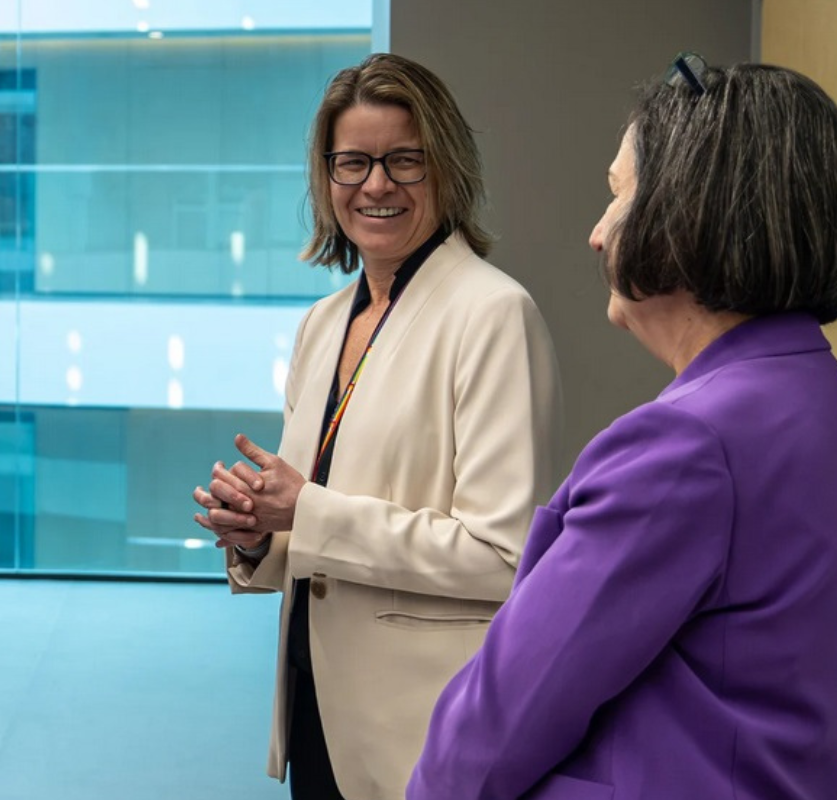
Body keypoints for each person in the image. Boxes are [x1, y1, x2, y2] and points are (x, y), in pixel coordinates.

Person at [408, 57, 837, 799]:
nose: (598, 234)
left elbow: (508, 713)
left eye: (618, 197)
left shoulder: (686, 446)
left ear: (690, 209)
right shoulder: (813, 388)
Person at [193, 53, 561, 800]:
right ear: (326, 179)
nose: (377, 185)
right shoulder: (322, 324)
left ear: (446, 168)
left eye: (404, 160)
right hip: (318, 708)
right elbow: (313, 526)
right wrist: (259, 533)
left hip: (425, 726)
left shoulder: (492, 315)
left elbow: (504, 556)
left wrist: (308, 510)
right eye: (352, 163)